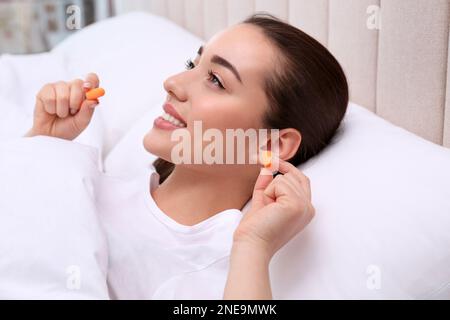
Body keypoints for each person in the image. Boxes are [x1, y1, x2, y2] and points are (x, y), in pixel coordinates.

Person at [25, 13, 348, 299]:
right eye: (192, 65)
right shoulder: (90, 186)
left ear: (274, 145)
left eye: (216, 80)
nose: (173, 83)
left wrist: (253, 245)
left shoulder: (230, 273)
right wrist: (43, 146)